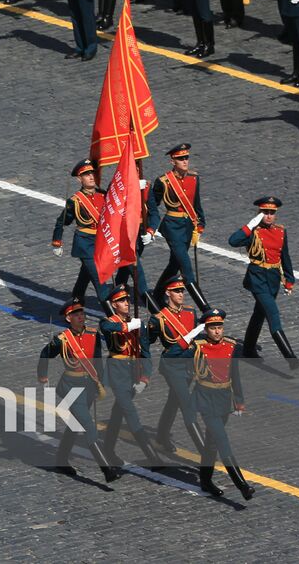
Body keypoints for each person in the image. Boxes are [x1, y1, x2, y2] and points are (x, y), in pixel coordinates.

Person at [37, 300, 123, 483]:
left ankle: (61, 459)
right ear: (68, 318)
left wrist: (100, 382)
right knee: (89, 426)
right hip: (70, 387)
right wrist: (42, 376)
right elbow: (45, 355)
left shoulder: (93, 334)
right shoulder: (62, 340)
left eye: (82, 313)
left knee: (75, 424)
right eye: (76, 314)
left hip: (89, 385)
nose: (81, 317)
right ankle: (107, 469)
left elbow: (98, 360)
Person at [227, 196, 299, 366]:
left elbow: (285, 256)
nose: (268, 216)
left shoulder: (281, 231)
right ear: (259, 213)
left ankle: (248, 349)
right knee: (273, 314)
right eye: (265, 212)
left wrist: (289, 279)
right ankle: (291, 358)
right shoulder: (253, 231)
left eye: (271, 213)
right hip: (257, 278)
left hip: (273, 279)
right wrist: (251, 224)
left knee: (259, 314)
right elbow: (233, 241)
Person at [97, 287, 164, 468]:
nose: (126, 303)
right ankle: (152, 457)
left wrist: (145, 378)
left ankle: (108, 450)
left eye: (127, 300)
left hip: (133, 371)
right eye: (121, 301)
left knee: (118, 412)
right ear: (113, 305)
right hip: (117, 372)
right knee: (130, 413)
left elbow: (146, 354)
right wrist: (127, 326)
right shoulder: (108, 322)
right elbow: (107, 328)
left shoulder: (139, 324)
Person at [191, 308, 254, 499]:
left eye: (220, 327)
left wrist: (239, 400)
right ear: (206, 329)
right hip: (206, 399)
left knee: (212, 443)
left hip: (224, 400)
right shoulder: (198, 347)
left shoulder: (230, 346)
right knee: (222, 441)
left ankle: (205, 480)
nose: (217, 331)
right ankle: (243, 486)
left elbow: (235, 375)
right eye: (213, 328)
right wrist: (191, 334)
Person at [146, 279, 208, 458]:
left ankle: (161, 435)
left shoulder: (190, 312)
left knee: (174, 401)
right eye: (177, 291)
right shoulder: (158, 319)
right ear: (168, 294)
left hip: (189, 365)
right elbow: (148, 342)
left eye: (182, 291)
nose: (181, 294)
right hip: (172, 366)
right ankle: (206, 453)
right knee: (187, 406)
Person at [145, 143, 210, 311]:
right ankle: (206, 310)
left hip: (188, 226)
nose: (185, 161)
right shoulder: (163, 182)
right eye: (181, 158)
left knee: (174, 264)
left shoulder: (193, 178)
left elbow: (197, 204)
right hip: (172, 227)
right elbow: (153, 206)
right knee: (186, 270)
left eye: (186, 157)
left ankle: (158, 294)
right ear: (172, 161)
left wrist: (200, 225)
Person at [51, 159, 108, 309]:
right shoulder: (75, 201)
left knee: (85, 276)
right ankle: (114, 316)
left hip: (102, 242)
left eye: (92, 173)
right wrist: (57, 242)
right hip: (85, 244)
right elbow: (61, 222)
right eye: (86, 174)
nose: (91, 177)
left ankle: (74, 304)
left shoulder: (104, 195)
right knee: (99, 278)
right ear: (79, 179)